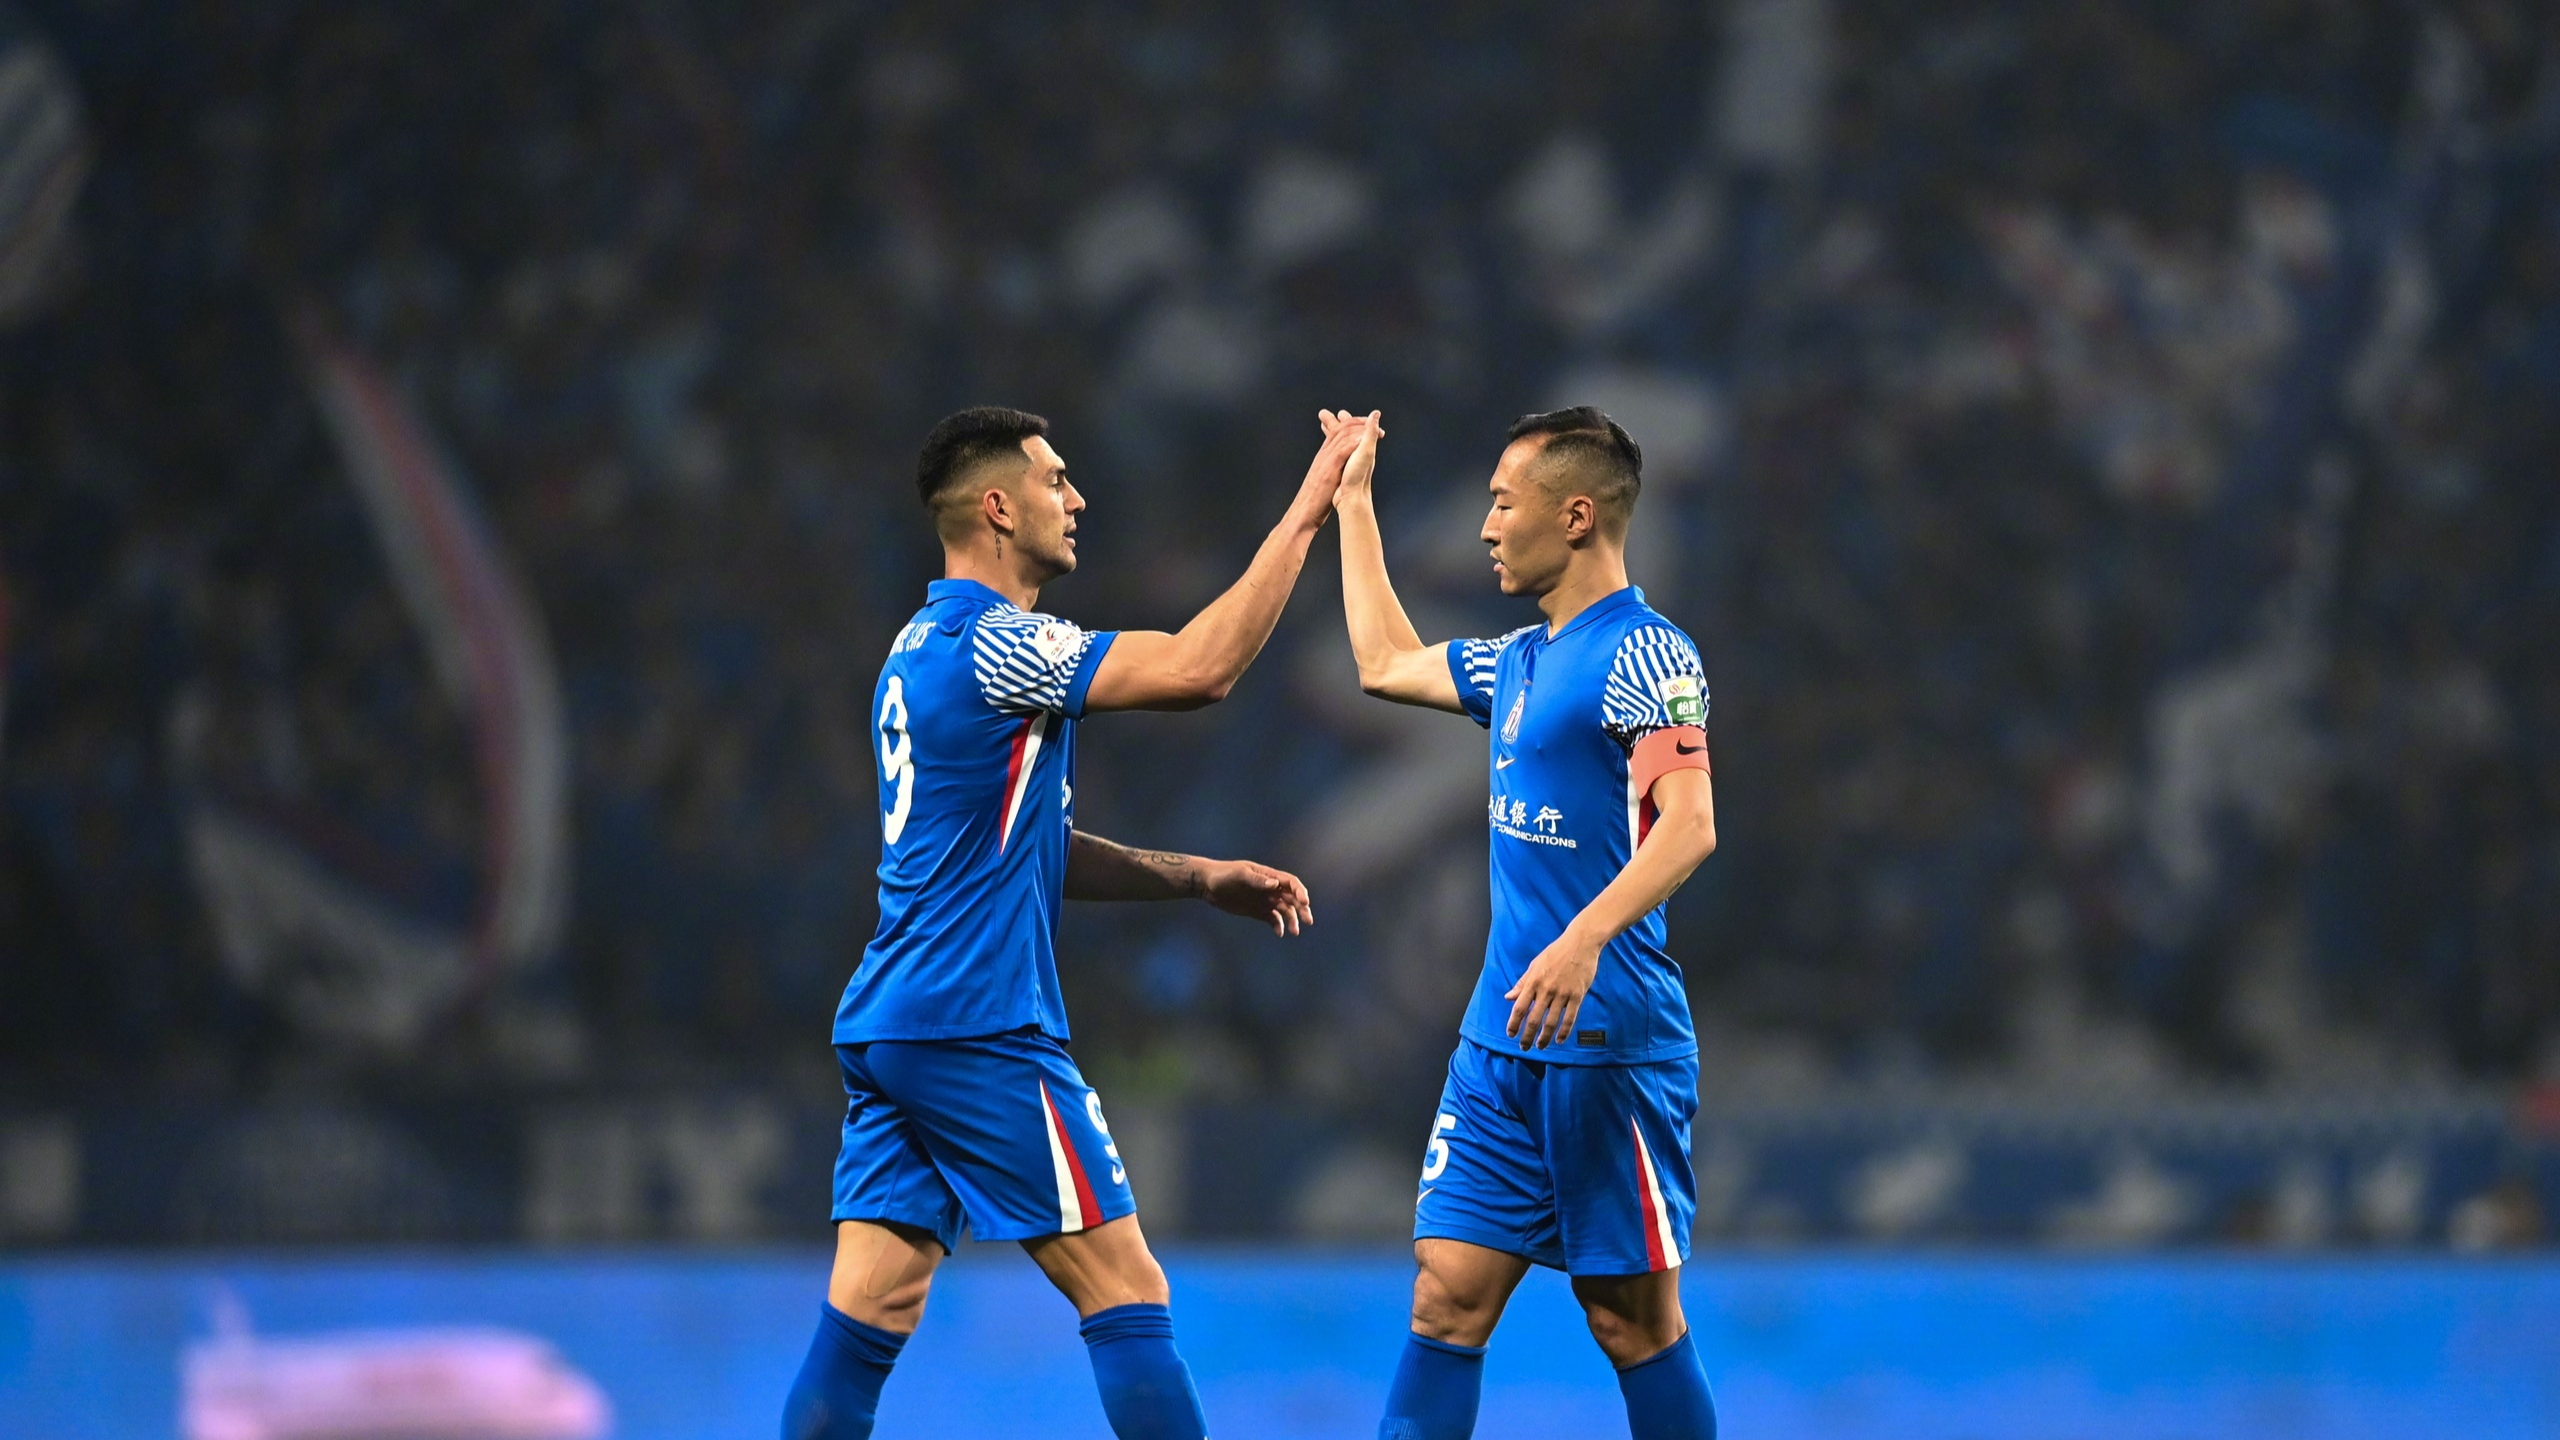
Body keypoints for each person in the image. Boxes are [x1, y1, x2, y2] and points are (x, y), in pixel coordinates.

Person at [783, 405, 1371, 1440]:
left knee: (870, 1308)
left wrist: (1197, 878)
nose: (1078, 498)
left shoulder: (917, 644)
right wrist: (1311, 507)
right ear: (999, 506)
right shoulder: (999, 644)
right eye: (1057, 480)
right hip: (976, 1022)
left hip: (893, 1021)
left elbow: (1028, 848)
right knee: (1126, 1286)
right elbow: (1201, 668)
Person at [1327, 406, 1722, 1440]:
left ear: (1578, 515)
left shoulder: (1647, 654)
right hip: (1498, 1043)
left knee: (1630, 1323)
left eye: (1503, 504)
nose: (1487, 527)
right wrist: (1353, 504)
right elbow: (1381, 662)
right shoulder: (1516, 661)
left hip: (1608, 1041)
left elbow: (1687, 830)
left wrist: (1583, 937)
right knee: (1444, 1298)